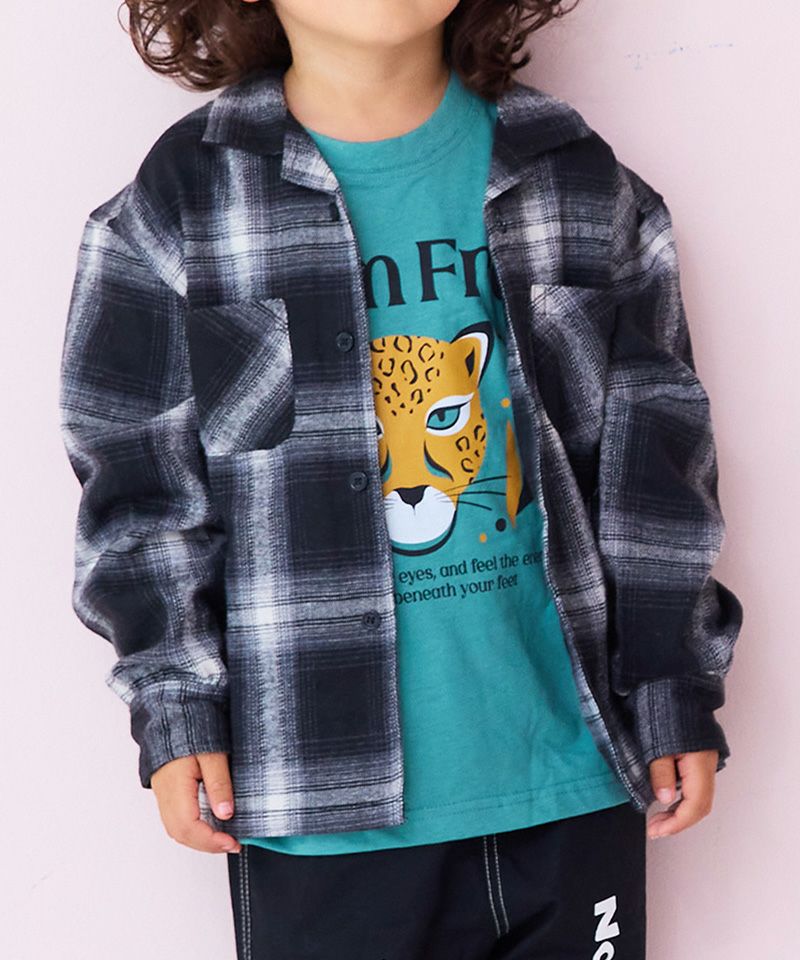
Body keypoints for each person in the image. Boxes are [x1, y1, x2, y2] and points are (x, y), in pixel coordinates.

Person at [58, 0, 744, 957]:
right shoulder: (181, 204)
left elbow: (656, 469)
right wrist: (175, 706)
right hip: (318, 803)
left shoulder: (577, 180)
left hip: (576, 777)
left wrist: (673, 685)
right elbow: (139, 493)